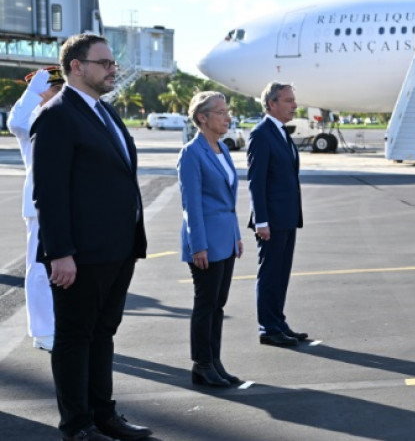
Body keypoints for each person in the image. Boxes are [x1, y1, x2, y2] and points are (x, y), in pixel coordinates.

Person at [31, 33, 152, 440]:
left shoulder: (104, 111)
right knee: (74, 338)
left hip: (116, 249)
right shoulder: (57, 115)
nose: (113, 69)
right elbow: (49, 192)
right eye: (105, 63)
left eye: (113, 63)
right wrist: (59, 252)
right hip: (79, 254)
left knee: (102, 335)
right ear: (77, 67)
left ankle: (104, 415)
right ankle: (77, 425)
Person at [178, 92, 244, 387]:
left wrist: (236, 235)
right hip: (205, 242)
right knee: (205, 305)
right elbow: (191, 204)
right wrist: (198, 245)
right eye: (221, 112)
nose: (227, 117)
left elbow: (228, 200)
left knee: (218, 304)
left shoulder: (222, 149)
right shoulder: (192, 153)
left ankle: (215, 362)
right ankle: (201, 364)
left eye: (227, 111)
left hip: (225, 239)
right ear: (202, 118)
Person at [247, 82, 308, 347]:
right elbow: (256, 181)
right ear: (272, 104)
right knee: (270, 274)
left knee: (281, 274)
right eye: (288, 100)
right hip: (270, 220)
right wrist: (261, 220)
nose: (294, 105)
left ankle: (278, 323)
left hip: (286, 217)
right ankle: (268, 328)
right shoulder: (261, 134)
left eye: (293, 100)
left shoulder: (281, 132)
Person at [9, 66, 63, 352]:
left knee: (70, 269)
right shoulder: (31, 119)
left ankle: (62, 325)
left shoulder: (66, 116)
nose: (60, 94)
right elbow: (15, 122)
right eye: (54, 89)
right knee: (40, 270)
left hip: (71, 204)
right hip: (40, 205)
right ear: (41, 93)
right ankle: (43, 332)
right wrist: (30, 94)